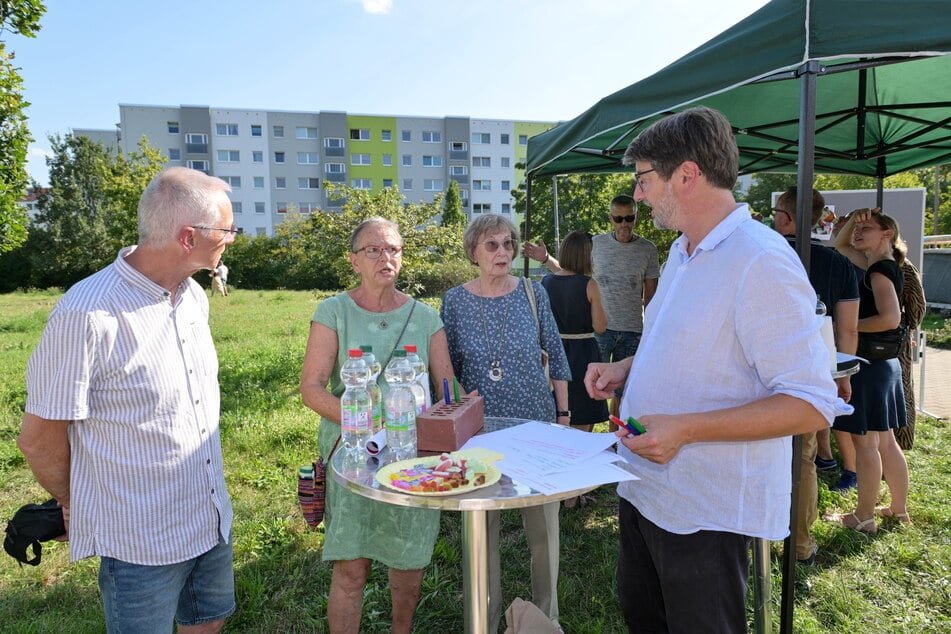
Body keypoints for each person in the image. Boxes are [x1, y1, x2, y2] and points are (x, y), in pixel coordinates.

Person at [583, 107, 850, 633]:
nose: (637, 196)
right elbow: (685, 341)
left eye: (642, 179)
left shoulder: (761, 260)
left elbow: (811, 400)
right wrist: (628, 368)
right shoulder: (684, 252)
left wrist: (686, 429)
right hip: (645, 492)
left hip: (707, 512)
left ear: (686, 175)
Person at [17, 166, 238, 633]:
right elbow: (39, 438)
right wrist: (74, 504)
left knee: (207, 622)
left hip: (209, 515)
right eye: (226, 229)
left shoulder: (193, 295)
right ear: (186, 237)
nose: (232, 238)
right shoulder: (87, 313)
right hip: (142, 538)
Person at [299, 217, 455, 634]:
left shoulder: (425, 317)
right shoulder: (333, 311)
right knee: (351, 567)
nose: (386, 257)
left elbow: (448, 390)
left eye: (394, 250)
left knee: (409, 565)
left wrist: (447, 418)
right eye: (374, 250)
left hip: (412, 458)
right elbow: (312, 389)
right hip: (353, 457)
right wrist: (365, 422)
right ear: (354, 260)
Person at [441, 214, 571, 632]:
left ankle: (546, 619)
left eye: (508, 244)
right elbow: (448, 371)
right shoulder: (455, 301)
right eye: (492, 245)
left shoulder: (534, 292)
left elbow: (557, 357)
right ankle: (485, 619)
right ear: (473, 252)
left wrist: (564, 417)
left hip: (536, 427)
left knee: (544, 530)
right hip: (480, 433)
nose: (503, 252)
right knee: (482, 531)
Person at [771, 186, 859, 563]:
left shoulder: (765, 254)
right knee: (804, 460)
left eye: (776, 212)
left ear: (787, 218)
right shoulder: (839, 264)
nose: (774, 218)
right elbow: (848, 330)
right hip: (810, 375)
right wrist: (843, 374)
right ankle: (801, 545)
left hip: (760, 373)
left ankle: (751, 540)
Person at [523, 194, 660, 424]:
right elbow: (570, 273)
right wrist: (547, 259)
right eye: (619, 219)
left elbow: (652, 297)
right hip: (598, 334)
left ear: (636, 216)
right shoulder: (595, 244)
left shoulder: (648, 249)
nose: (624, 224)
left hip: (633, 330)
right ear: (610, 218)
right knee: (592, 391)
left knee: (626, 391)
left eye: (630, 218)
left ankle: (616, 439)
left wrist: (652, 331)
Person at [826, 209, 912, 532]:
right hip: (885, 365)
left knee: (867, 444)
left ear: (887, 234)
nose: (858, 232)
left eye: (867, 228)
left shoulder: (877, 271)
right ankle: (898, 510)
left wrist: (848, 326)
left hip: (870, 366)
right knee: (886, 441)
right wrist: (854, 222)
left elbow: (890, 319)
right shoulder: (879, 265)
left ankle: (863, 516)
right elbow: (840, 244)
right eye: (858, 228)